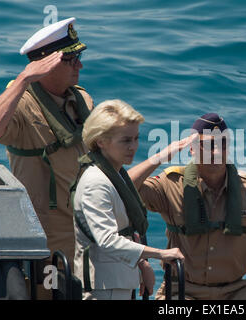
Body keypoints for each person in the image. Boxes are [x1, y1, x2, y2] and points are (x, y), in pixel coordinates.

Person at [0, 17, 93, 298]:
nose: (79, 65)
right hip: (47, 236)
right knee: (50, 294)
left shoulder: (82, 100)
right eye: (71, 59)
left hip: (85, 229)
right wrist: (24, 78)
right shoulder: (22, 104)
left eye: (79, 56)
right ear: (48, 63)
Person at [128, 113, 246, 300]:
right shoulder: (171, 184)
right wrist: (160, 157)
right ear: (192, 149)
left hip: (235, 292)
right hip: (183, 290)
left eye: (223, 144)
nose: (217, 151)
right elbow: (122, 187)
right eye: (209, 145)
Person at [72, 99, 185, 300]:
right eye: (125, 140)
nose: (133, 146)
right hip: (102, 288)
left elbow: (122, 231)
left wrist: (142, 265)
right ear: (101, 141)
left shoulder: (114, 175)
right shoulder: (96, 183)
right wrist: (160, 254)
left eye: (136, 139)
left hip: (118, 281)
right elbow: (107, 240)